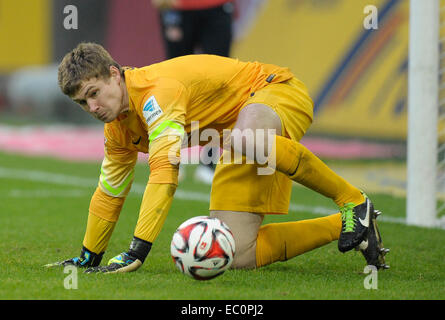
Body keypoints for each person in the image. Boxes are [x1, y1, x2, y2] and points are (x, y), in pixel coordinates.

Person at [46, 42, 389, 273]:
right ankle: (356, 225)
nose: (92, 107)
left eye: (94, 94)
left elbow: (165, 172)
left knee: (245, 137)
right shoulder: (117, 129)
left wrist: (137, 251)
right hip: (241, 136)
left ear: (114, 74)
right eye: (82, 103)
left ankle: (352, 201)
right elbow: (110, 194)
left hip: (275, 91)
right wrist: (88, 259)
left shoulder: (156, 93)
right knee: (236, 253)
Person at [153, 0, 236, 184]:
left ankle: (209, 161)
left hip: (217, 7)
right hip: (178, 8)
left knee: (217, 86)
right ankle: (173, 158)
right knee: (176, 85)